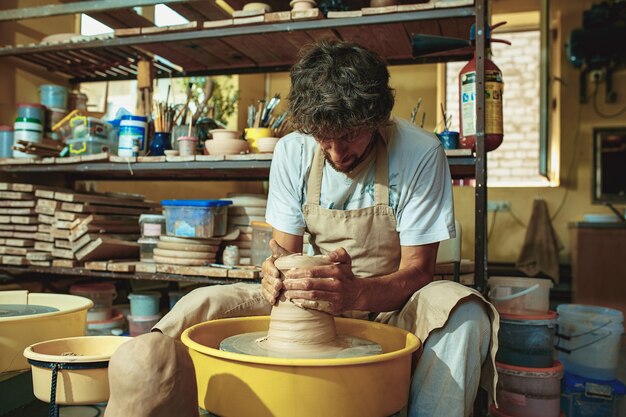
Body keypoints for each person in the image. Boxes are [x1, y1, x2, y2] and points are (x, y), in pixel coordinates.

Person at [109, 40, 498, 417]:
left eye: (348, 137)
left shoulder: (419, 152)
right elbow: (282, 249)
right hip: (308, 301)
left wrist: (357, 292)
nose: (336, 152)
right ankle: (143, 396)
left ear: (377, 118)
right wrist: (272, 270)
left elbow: (419, 271)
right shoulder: (292, 150)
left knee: (464, 313)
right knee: (198, 304)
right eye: (323, 140)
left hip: (389, 306)